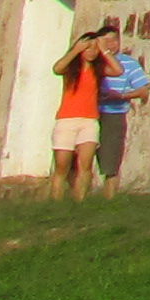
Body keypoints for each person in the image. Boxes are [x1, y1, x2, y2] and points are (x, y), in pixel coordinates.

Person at [51, 23, 111, 196]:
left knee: (85, 165)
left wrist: (104, 50)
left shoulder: (98, 70)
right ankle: (56, 201)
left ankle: (80, 200)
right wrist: (76, 50)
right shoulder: (71, 69)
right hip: (67, 120)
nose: (92, 52)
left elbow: (118, 70)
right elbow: (57, 68)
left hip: (89, 120)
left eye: (94, 49)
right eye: (88, 48)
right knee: (62, 166)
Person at [96, 36, 150, 184]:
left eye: (114, 40)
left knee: (111, 165)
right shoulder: (92, 62)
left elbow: (143, 91)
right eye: (106, 41)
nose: (111, 45)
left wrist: (121, 95)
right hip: (90, 114)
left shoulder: (129, 64)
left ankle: (109, 202)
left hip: (114, 114)